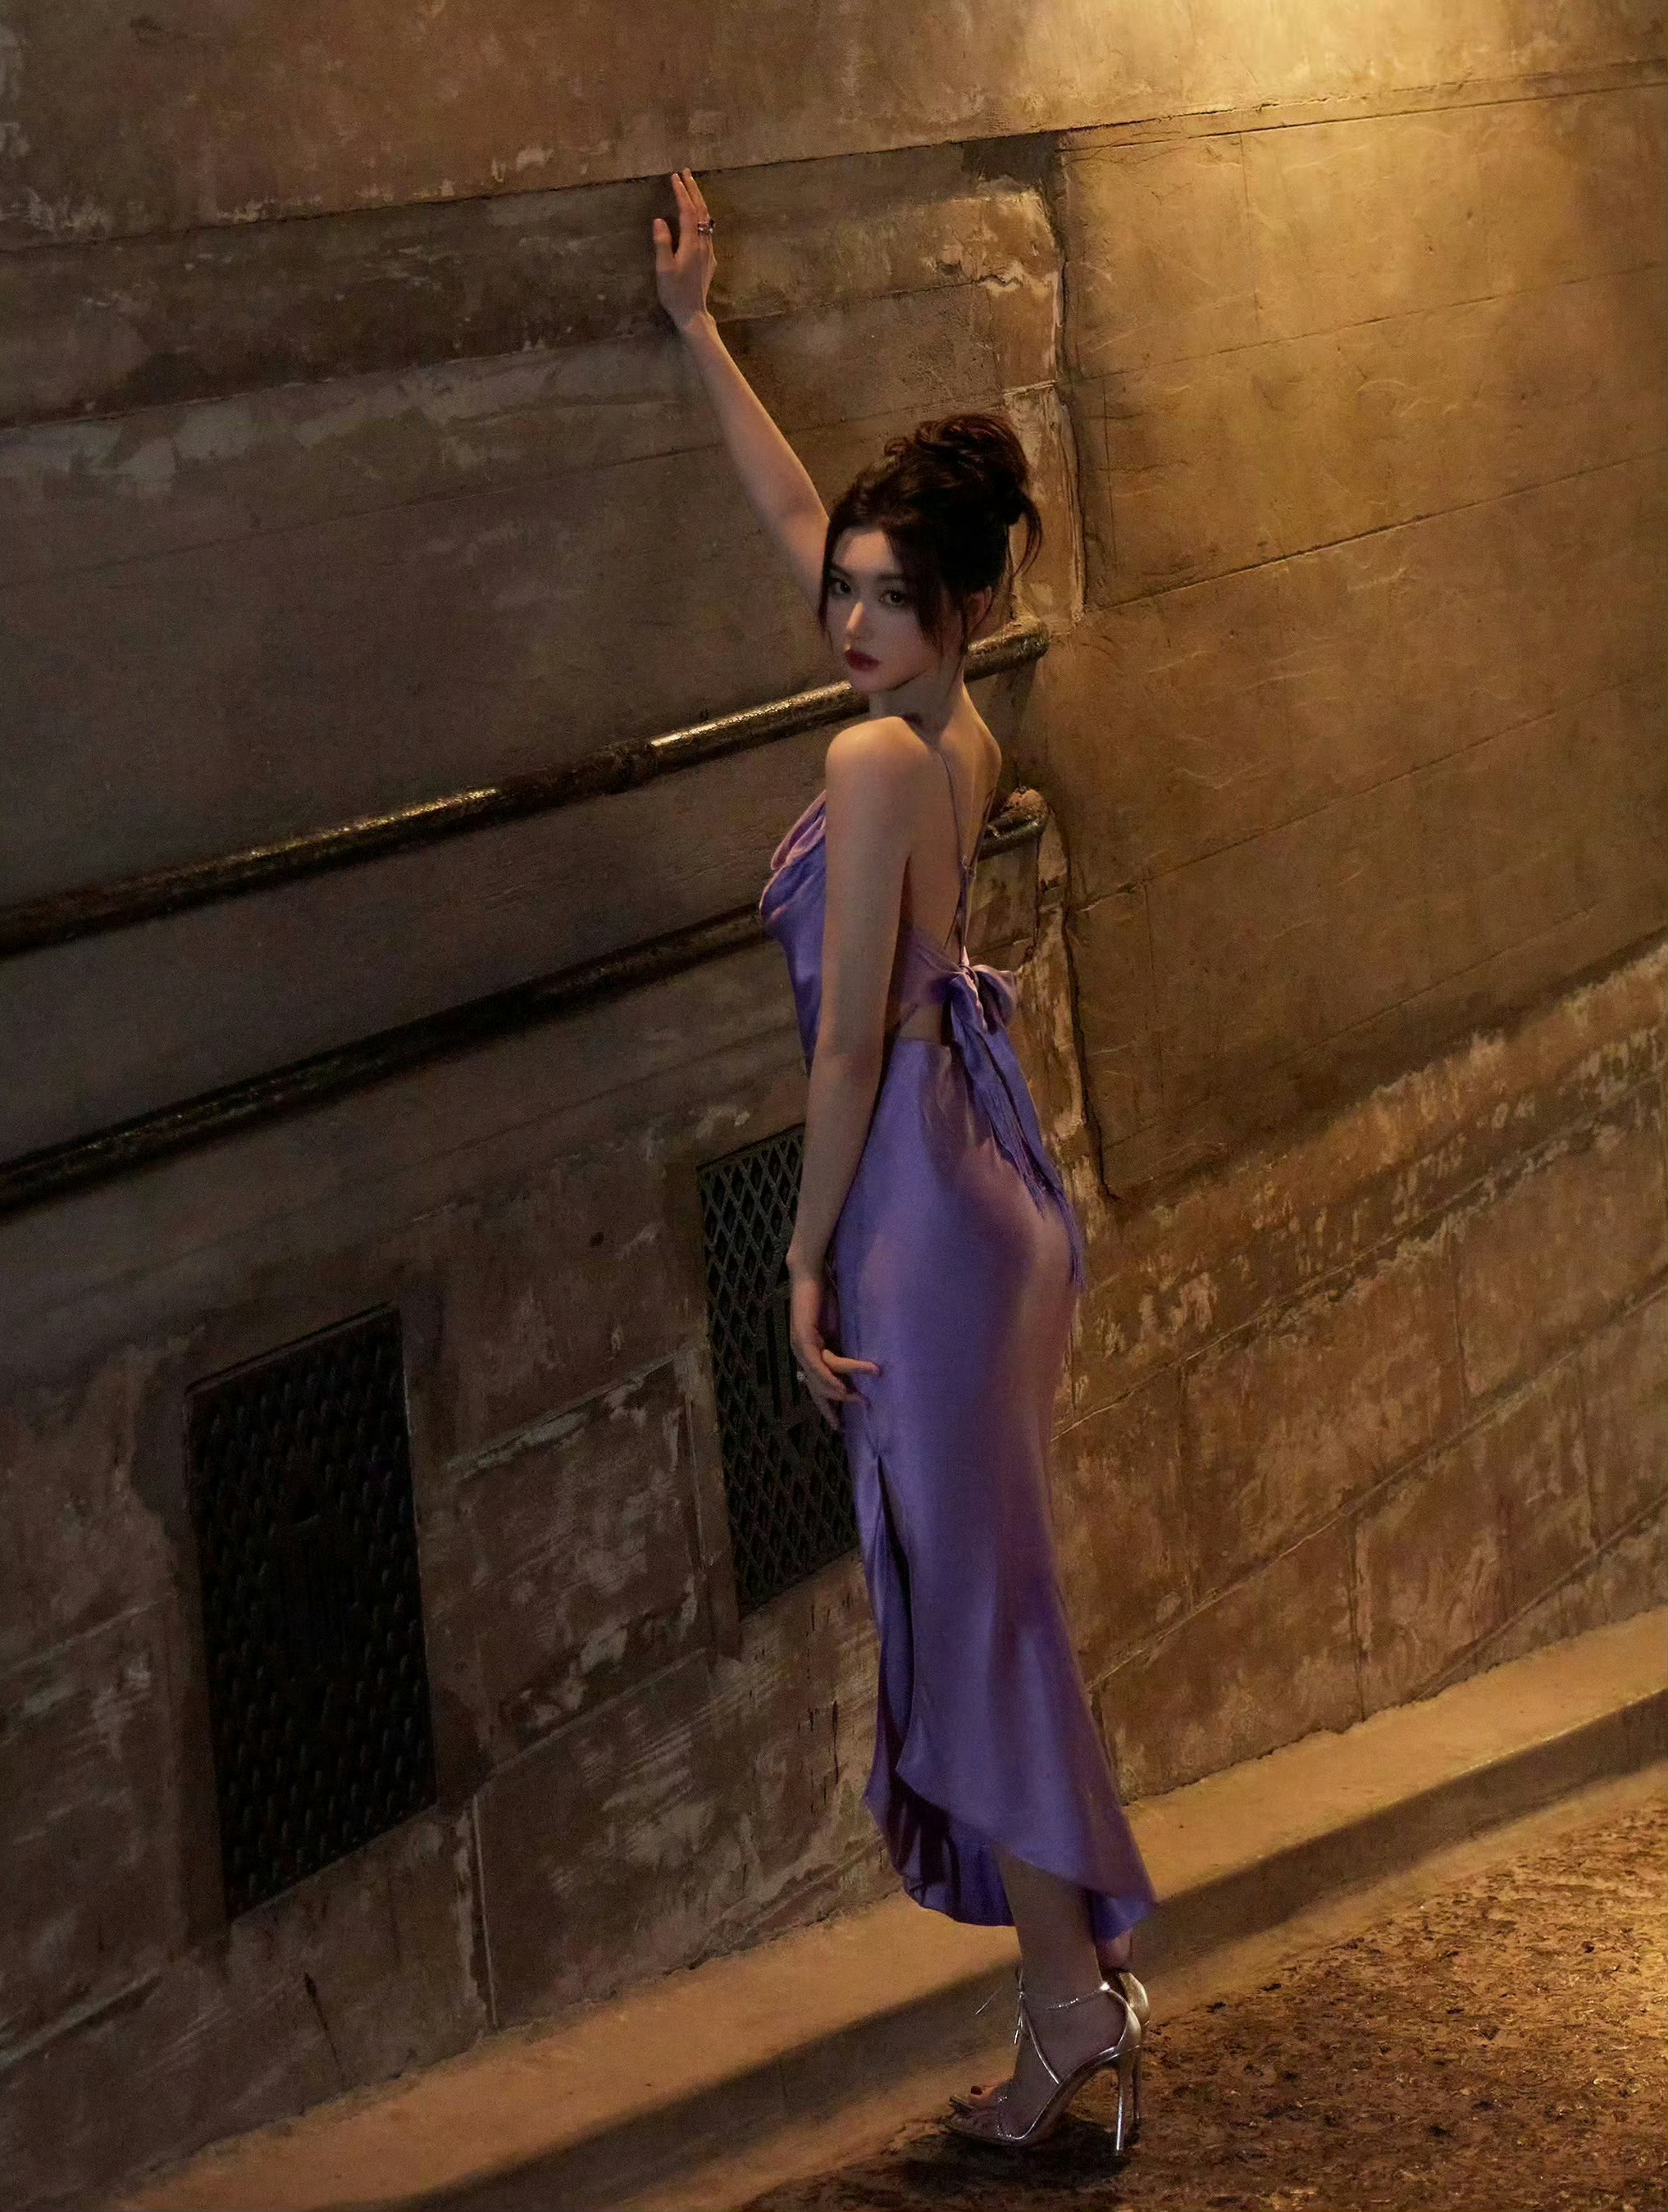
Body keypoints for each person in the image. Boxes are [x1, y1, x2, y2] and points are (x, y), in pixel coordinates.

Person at [653, 169, 1158, 2151]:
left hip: (921, 1217)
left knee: (979, 1613)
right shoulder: (956, 736)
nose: (848, 617)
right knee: (986, 1600)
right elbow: (801, 523)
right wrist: (699, 330)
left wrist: (795, 1257)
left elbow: (851, 1036)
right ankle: (1072, 2002)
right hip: (989, 1198)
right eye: (845, 590)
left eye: (886, 595)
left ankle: (1075, 2005)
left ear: (963, 611)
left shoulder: (871, 760)